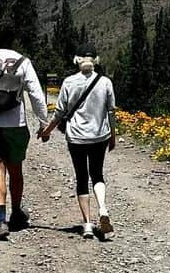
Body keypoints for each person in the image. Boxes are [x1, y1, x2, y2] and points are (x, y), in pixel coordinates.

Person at [39, 44, 117, 239]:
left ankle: (88, 225)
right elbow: (111, 111)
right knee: (97, 174)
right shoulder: (105, 82)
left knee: (82, 178)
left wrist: (47, 132)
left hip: (77, 138)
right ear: (96, 60)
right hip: (100, 136)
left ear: (77, 60)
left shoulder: (69, 82)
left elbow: (59, 113)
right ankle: (103, 208)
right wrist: (113, 135)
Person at [0, 47, 49, 240]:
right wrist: (43, 122)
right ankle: (16, 213)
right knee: (16, 169)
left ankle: (0, 221)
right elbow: (36, 93)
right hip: (16, 124)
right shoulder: (22, 61)